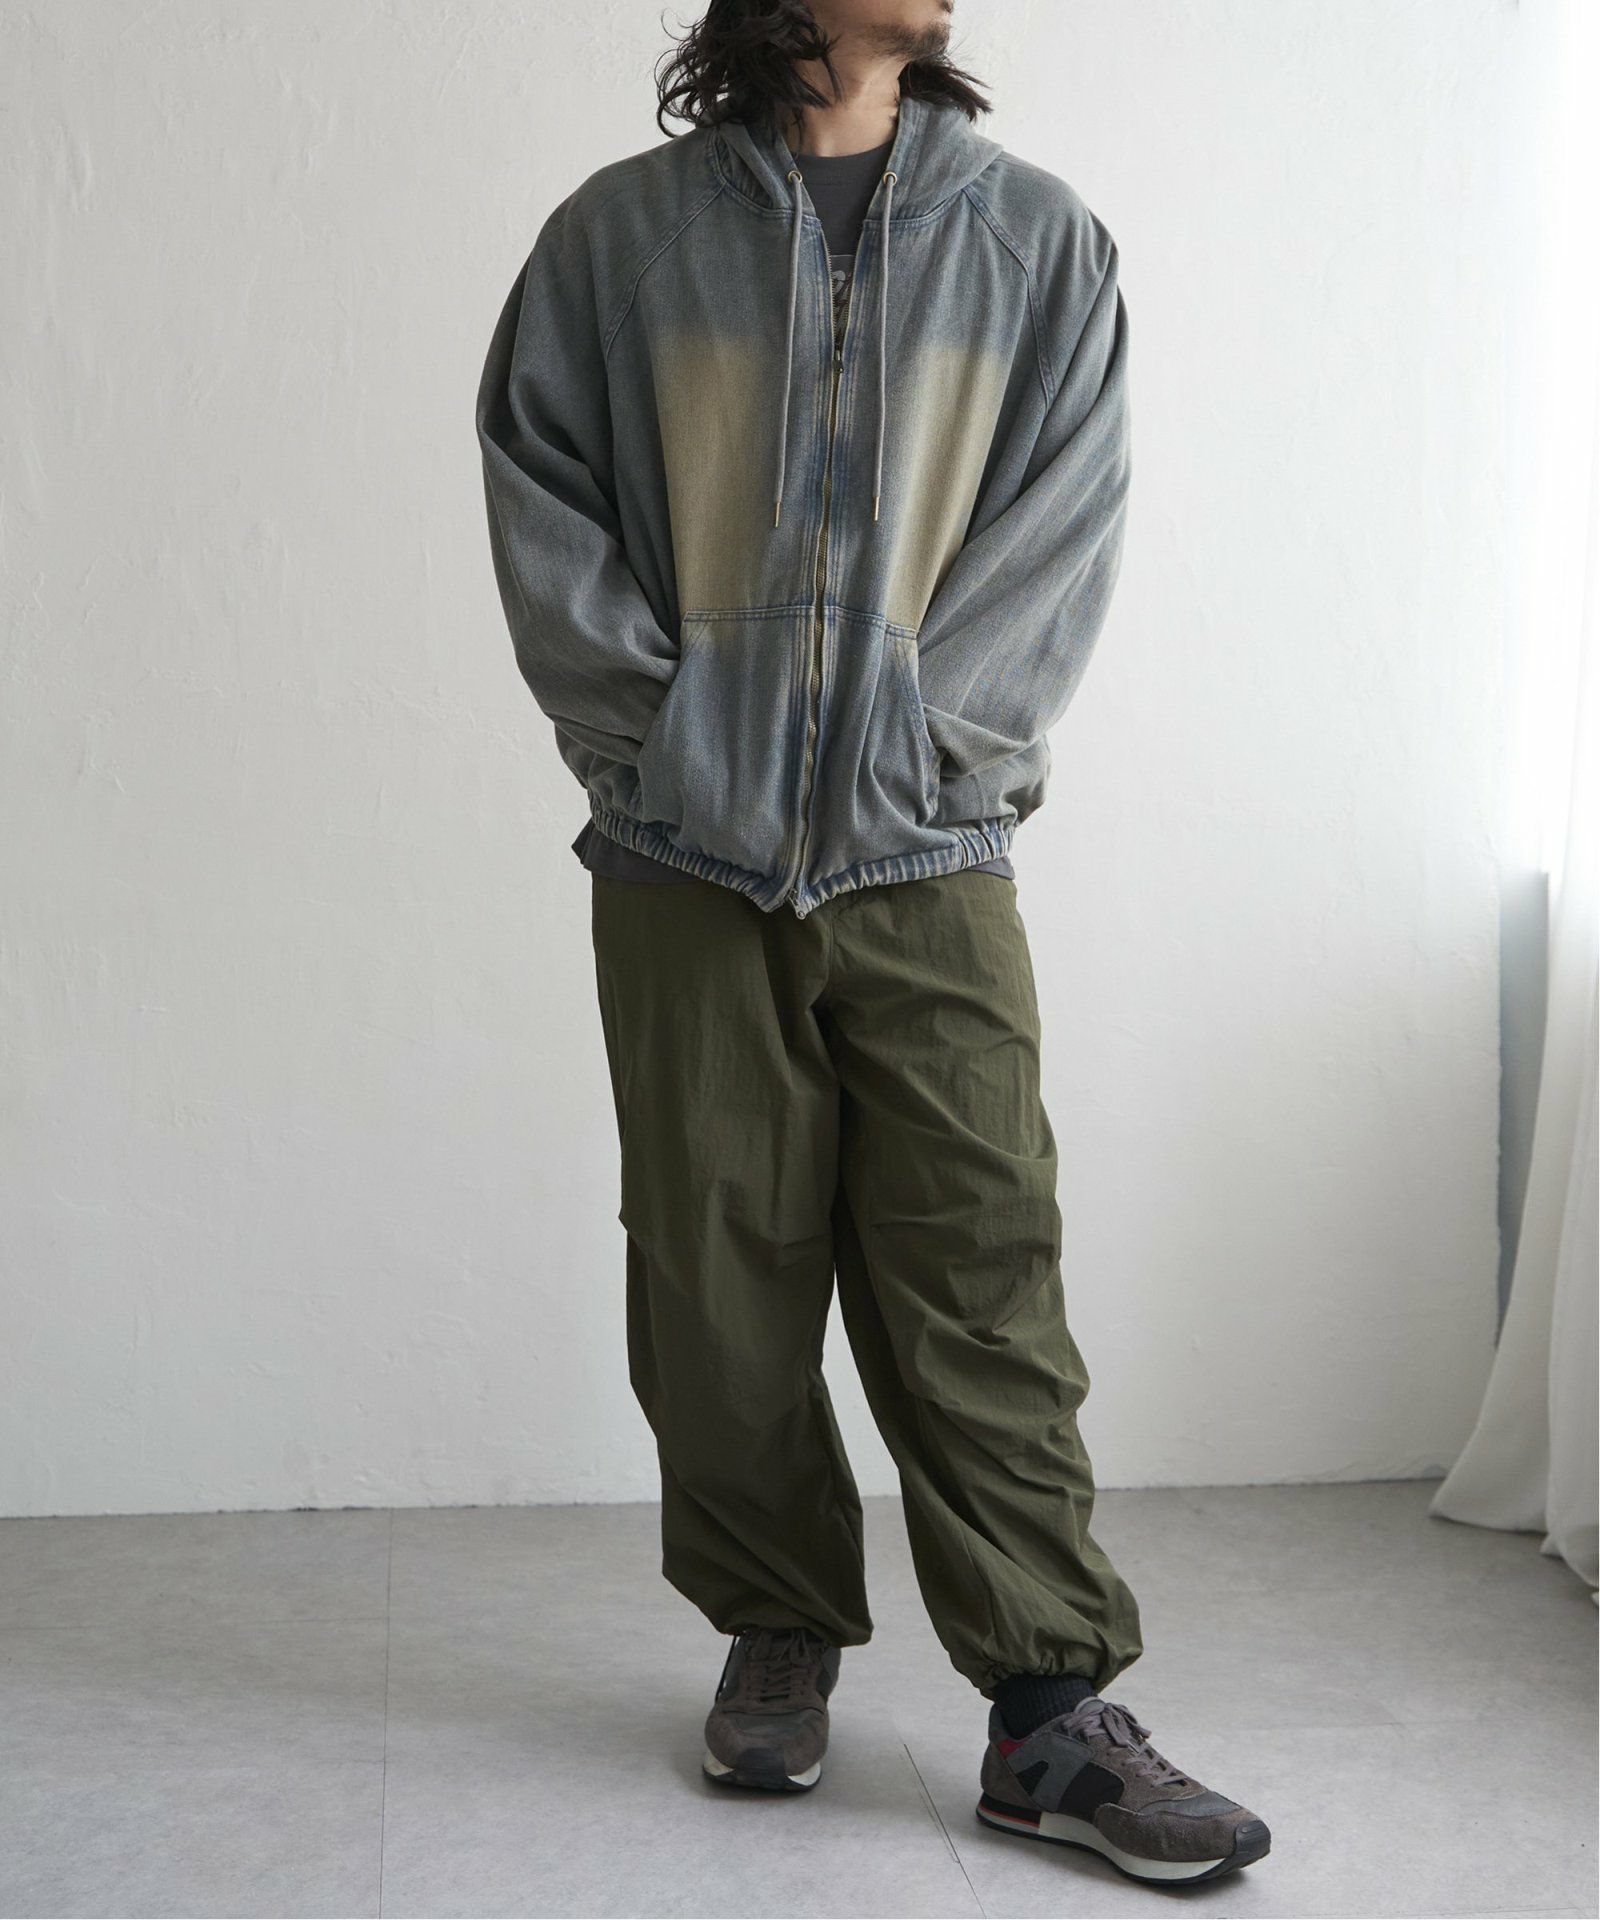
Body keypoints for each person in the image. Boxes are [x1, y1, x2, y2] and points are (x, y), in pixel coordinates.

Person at [476, 0, 1270, 1887]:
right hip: (682, 861)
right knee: (714, 1273)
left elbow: (1060, 532)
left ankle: (1049, 1708)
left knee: (979, 1266)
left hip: (932, 862)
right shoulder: (618, 241)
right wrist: (667, 751)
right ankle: (776, 1625)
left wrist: (928, 757)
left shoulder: (1037, 242)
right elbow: (543, 503)